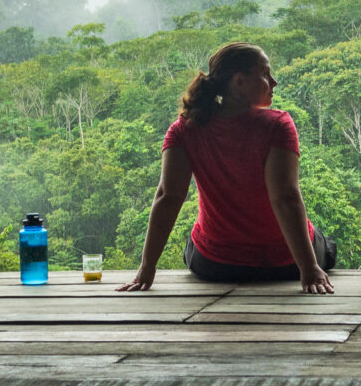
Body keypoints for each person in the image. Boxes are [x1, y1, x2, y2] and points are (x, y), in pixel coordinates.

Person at [116, 42, 336, 294]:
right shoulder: (278, 124)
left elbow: (169, 196)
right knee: (326, 245)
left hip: (214, 264)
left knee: (194, 240)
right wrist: (308, 269)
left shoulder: (184, 129)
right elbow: (285, 197)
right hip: (284, 264)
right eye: (265, 74)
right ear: (239, 81)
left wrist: (146, 269)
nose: (273, 82)